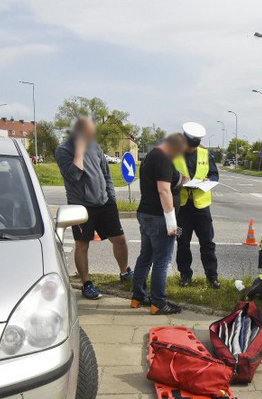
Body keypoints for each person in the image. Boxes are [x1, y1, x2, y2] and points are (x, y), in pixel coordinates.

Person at [55, 117, 132, 300]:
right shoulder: (62, 150)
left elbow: (106, 174)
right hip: (80, 206)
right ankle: (86, 283)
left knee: (119, 239)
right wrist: (79, 150)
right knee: (82, 245)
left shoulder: (95, 146)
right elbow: (74, 175)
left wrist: (111, 198)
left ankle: (125, 272)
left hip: (104, 202)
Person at [131, 134, 187, 315]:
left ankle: (138, 297)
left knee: (145, 257)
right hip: (158, 216)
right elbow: (163, 190)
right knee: (162, 261)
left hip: (146, 212)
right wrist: (171, 221)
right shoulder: (163, 158)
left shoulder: (151, 156)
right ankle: (158, 303)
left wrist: (179, 179)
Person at [173, 122, 221, 289]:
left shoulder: (205, 154)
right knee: (183, 243)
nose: (191, 149)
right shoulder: (175, 155)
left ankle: (212, 277)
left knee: (207, 243)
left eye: (194, 146)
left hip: (201, 206)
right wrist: (179, 180)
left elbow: (214, 174)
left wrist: (209, 180)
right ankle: (185, 275)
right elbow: (167, 177)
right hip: (183, 207)